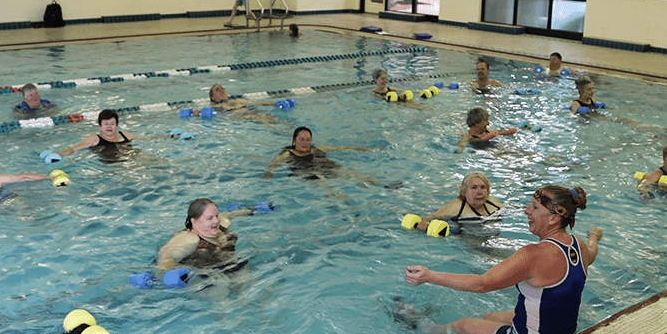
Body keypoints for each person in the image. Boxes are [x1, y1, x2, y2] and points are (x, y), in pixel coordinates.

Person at [404, 186, 603, 334]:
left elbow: (482, 283)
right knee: (490, 317)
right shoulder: (579, 246)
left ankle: (431, 328)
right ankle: (479, 333)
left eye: (534, 208)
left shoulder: (533, 255)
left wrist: (430, 276)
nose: (526, 211)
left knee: (462, 324)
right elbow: (592, 252)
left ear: (552, 219)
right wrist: (594, 235)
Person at [263, 126, 398, 188]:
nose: (305, 143)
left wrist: (371, 150)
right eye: (302, 139)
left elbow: (346, 148)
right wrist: (267, 178)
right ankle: (342, 208)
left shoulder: (319, 149)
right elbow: (271, 167)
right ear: (294, 141)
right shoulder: (287, 154)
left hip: (327, 167)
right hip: (308, 172)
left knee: (353, 174)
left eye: (308, 140)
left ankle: (383, 186)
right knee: (326, 187)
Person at [156, 198, 256, 277]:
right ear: (194, 222)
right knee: (221, 291)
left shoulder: (222, 224)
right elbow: (167, 256)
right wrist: (166, 274)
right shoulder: (189, 239)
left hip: (225, 262)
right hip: (201, 272)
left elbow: (228, 214)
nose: (216, 221)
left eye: (216, 216)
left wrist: (249, 210)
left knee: (247, 280)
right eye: (209, 218)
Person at [56, 109, 173, 163]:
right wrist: (57, 154)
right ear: (100, 126)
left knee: (162, 162)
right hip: (114, 165)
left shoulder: (124, 135)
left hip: (132, 157)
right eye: (106, 124)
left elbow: (149, 139)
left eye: (112, 123)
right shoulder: (94, 138)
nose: (109, 127)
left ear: (116, 125)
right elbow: (73, 149)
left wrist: (172, 137)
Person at [408, 171, 505, 232]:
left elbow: (508, 208)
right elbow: (430, 217)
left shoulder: (491, 201)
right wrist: (424, 223)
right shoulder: (457, 206)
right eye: (474, 188)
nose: (479, 192)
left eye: (483, 187)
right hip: (468, 239)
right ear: (464, 191)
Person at [209, 84, 293, 129]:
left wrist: (274, 104)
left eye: (222, 88)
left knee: (270, 117)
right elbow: (202, 112)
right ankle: (282, 131)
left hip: (253, 112)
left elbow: (259, 104)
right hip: (242, 117)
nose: (221, 90)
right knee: (258, 118)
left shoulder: (239, 100)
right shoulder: (217, 106)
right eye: (217, 90)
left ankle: (292, 127)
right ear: (213, 98)